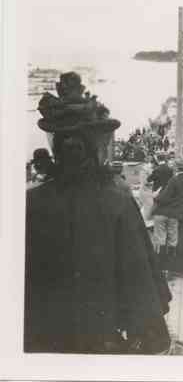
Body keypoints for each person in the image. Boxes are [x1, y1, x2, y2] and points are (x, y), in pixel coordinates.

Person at [25, 72, 172, 355]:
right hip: (100, 339)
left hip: (41, 339)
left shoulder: (32, 201)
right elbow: (140, 284)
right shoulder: (116, 199)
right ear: (96, 145)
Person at [152, 157, 183, 272]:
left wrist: (155, 197)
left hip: (163, 213)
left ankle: (160, 266)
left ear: (176, 167)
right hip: (176, 214)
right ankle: (170, 267)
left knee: (160, 238)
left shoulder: (173, 180)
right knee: (173, 240)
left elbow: (164, 198)